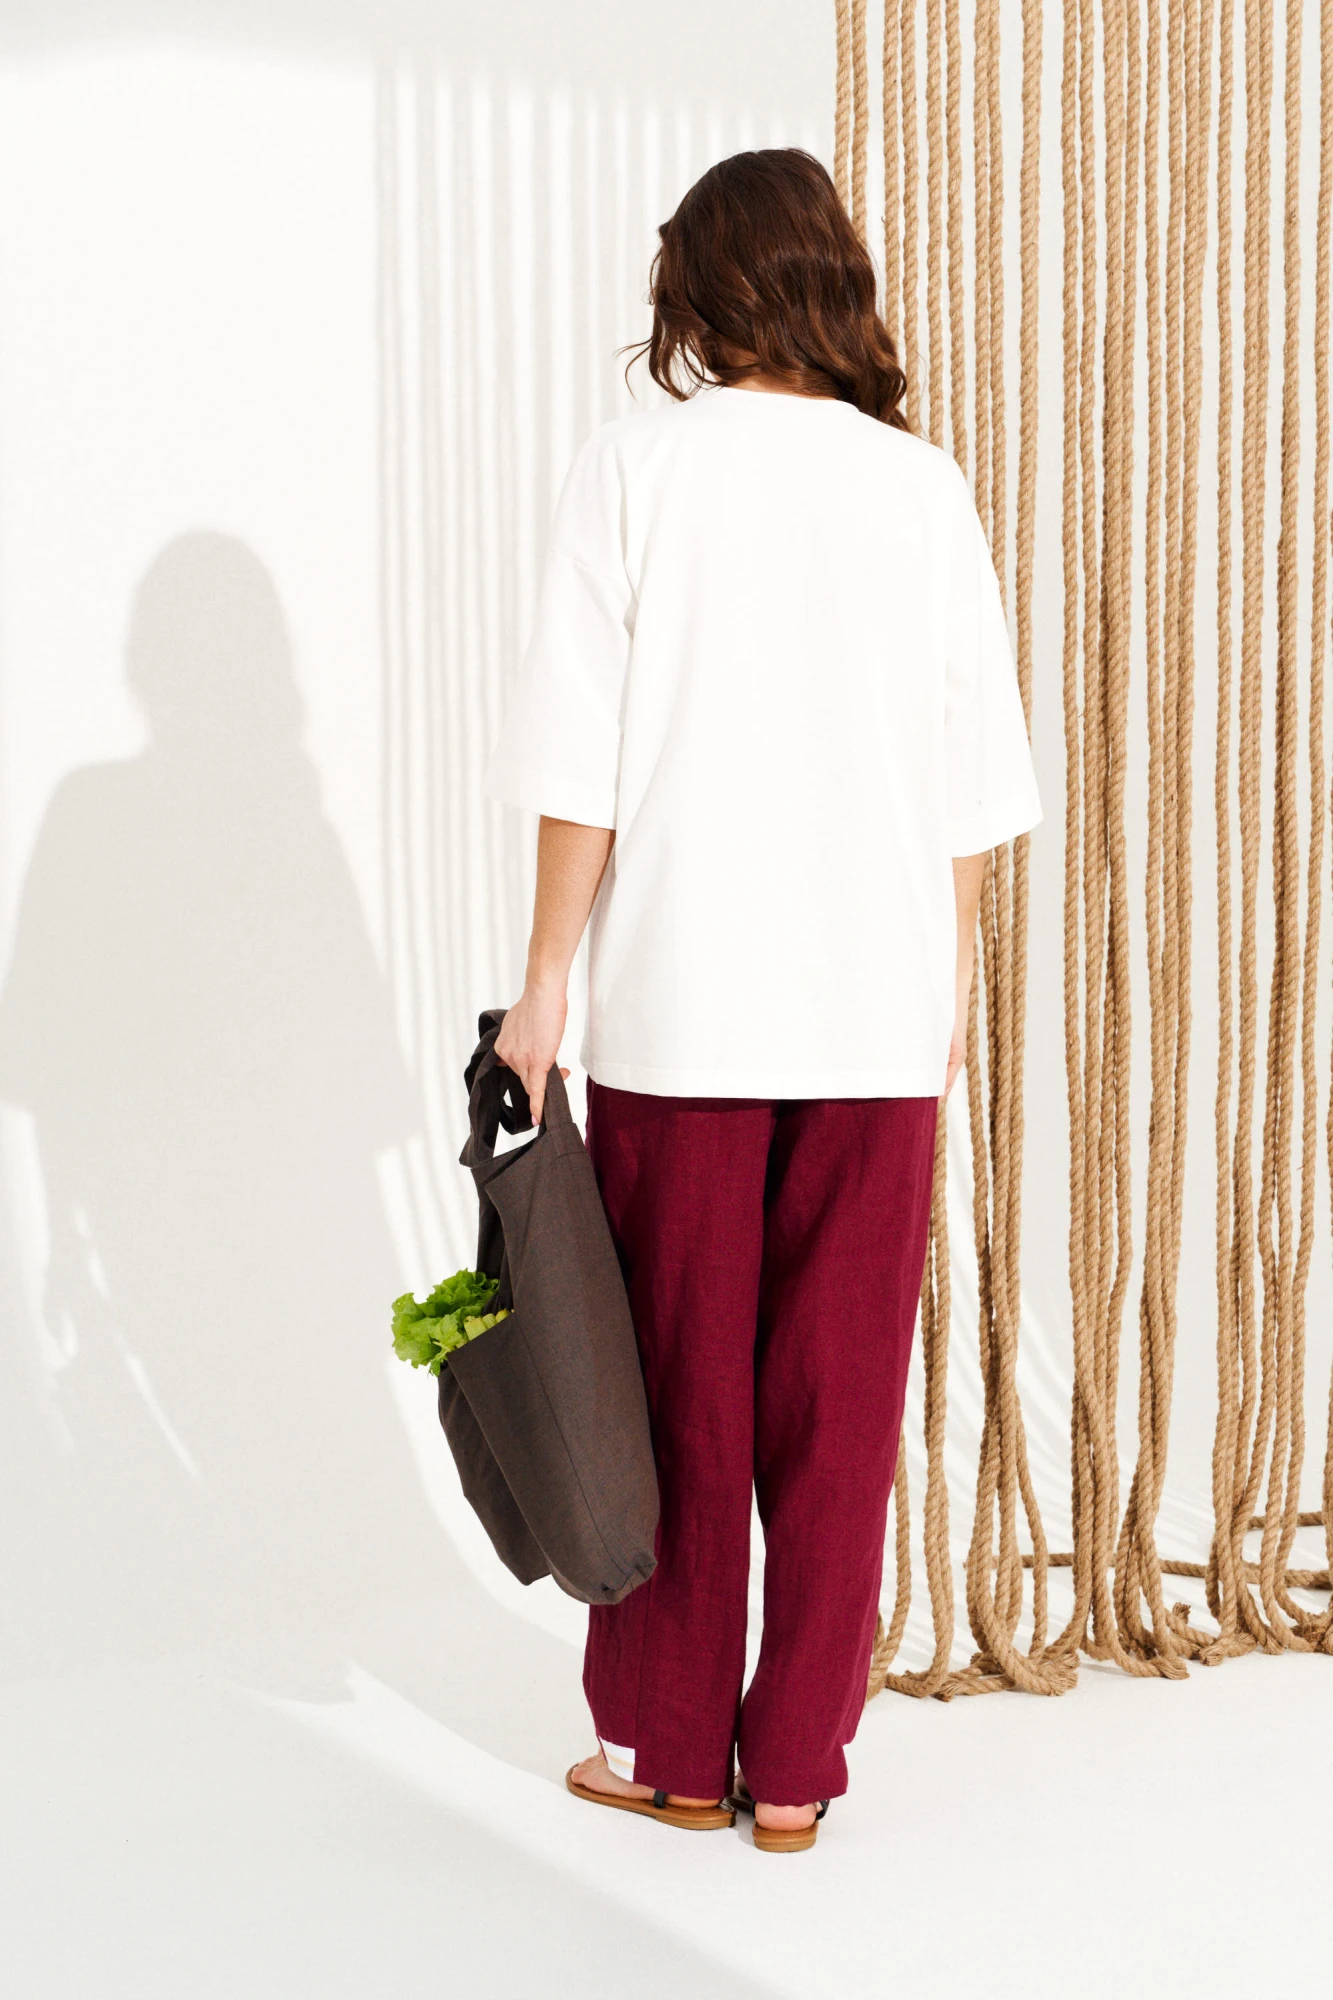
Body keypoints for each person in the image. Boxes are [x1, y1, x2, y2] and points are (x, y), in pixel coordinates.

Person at [484, 147, 1041, 1851]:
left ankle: (669, 1750)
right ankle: (794, 1768)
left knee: (677, 1392)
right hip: (879, 1019)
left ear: (700, 290)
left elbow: (579, 765)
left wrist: (542, 987)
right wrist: (944, 994)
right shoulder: (922, 489)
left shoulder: (635, 469)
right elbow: (972, 793)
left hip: (685, 1012)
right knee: (840, 1401)